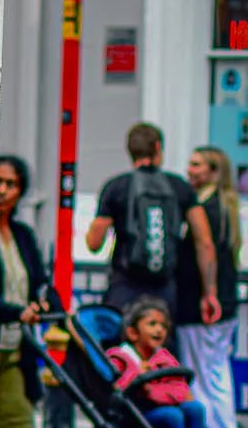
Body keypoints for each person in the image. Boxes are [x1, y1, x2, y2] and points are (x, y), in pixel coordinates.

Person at [85, 121, 222, 325]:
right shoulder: (180, 188)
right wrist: (210, 293)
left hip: (124, 288)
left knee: (118, 350)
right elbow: (204, 242)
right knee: (160, 348)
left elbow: (94, 244)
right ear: (158, 147)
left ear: (130, 151)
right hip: (163, 290)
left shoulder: (116, 187)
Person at [107, 296, 222, 428]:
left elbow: (180, 386)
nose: (160, 329)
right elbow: (117, 387)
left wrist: (162, 389)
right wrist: (139, 375)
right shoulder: (122, 357)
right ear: (133, 333)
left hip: (163, 405)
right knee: (172, 415)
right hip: (135, 414)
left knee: (195, 408)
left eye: (163, 325)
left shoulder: (164, 357)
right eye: (152, 324)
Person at [176, 144, 242, 428]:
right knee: (217, 374)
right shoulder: (225, 207)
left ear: (214, 171)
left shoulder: (205, 209)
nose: (190, 170)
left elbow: (205, 251)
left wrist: (208, 294)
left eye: (197, 165)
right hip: (223, 305)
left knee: (202, 377)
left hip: (202, 306)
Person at [0, 155, 51, 428]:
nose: (2, 190)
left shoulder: (23, 234)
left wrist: (40, 301)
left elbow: (40, 280)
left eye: (10, 184)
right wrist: (16, 311)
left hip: (12, 353)